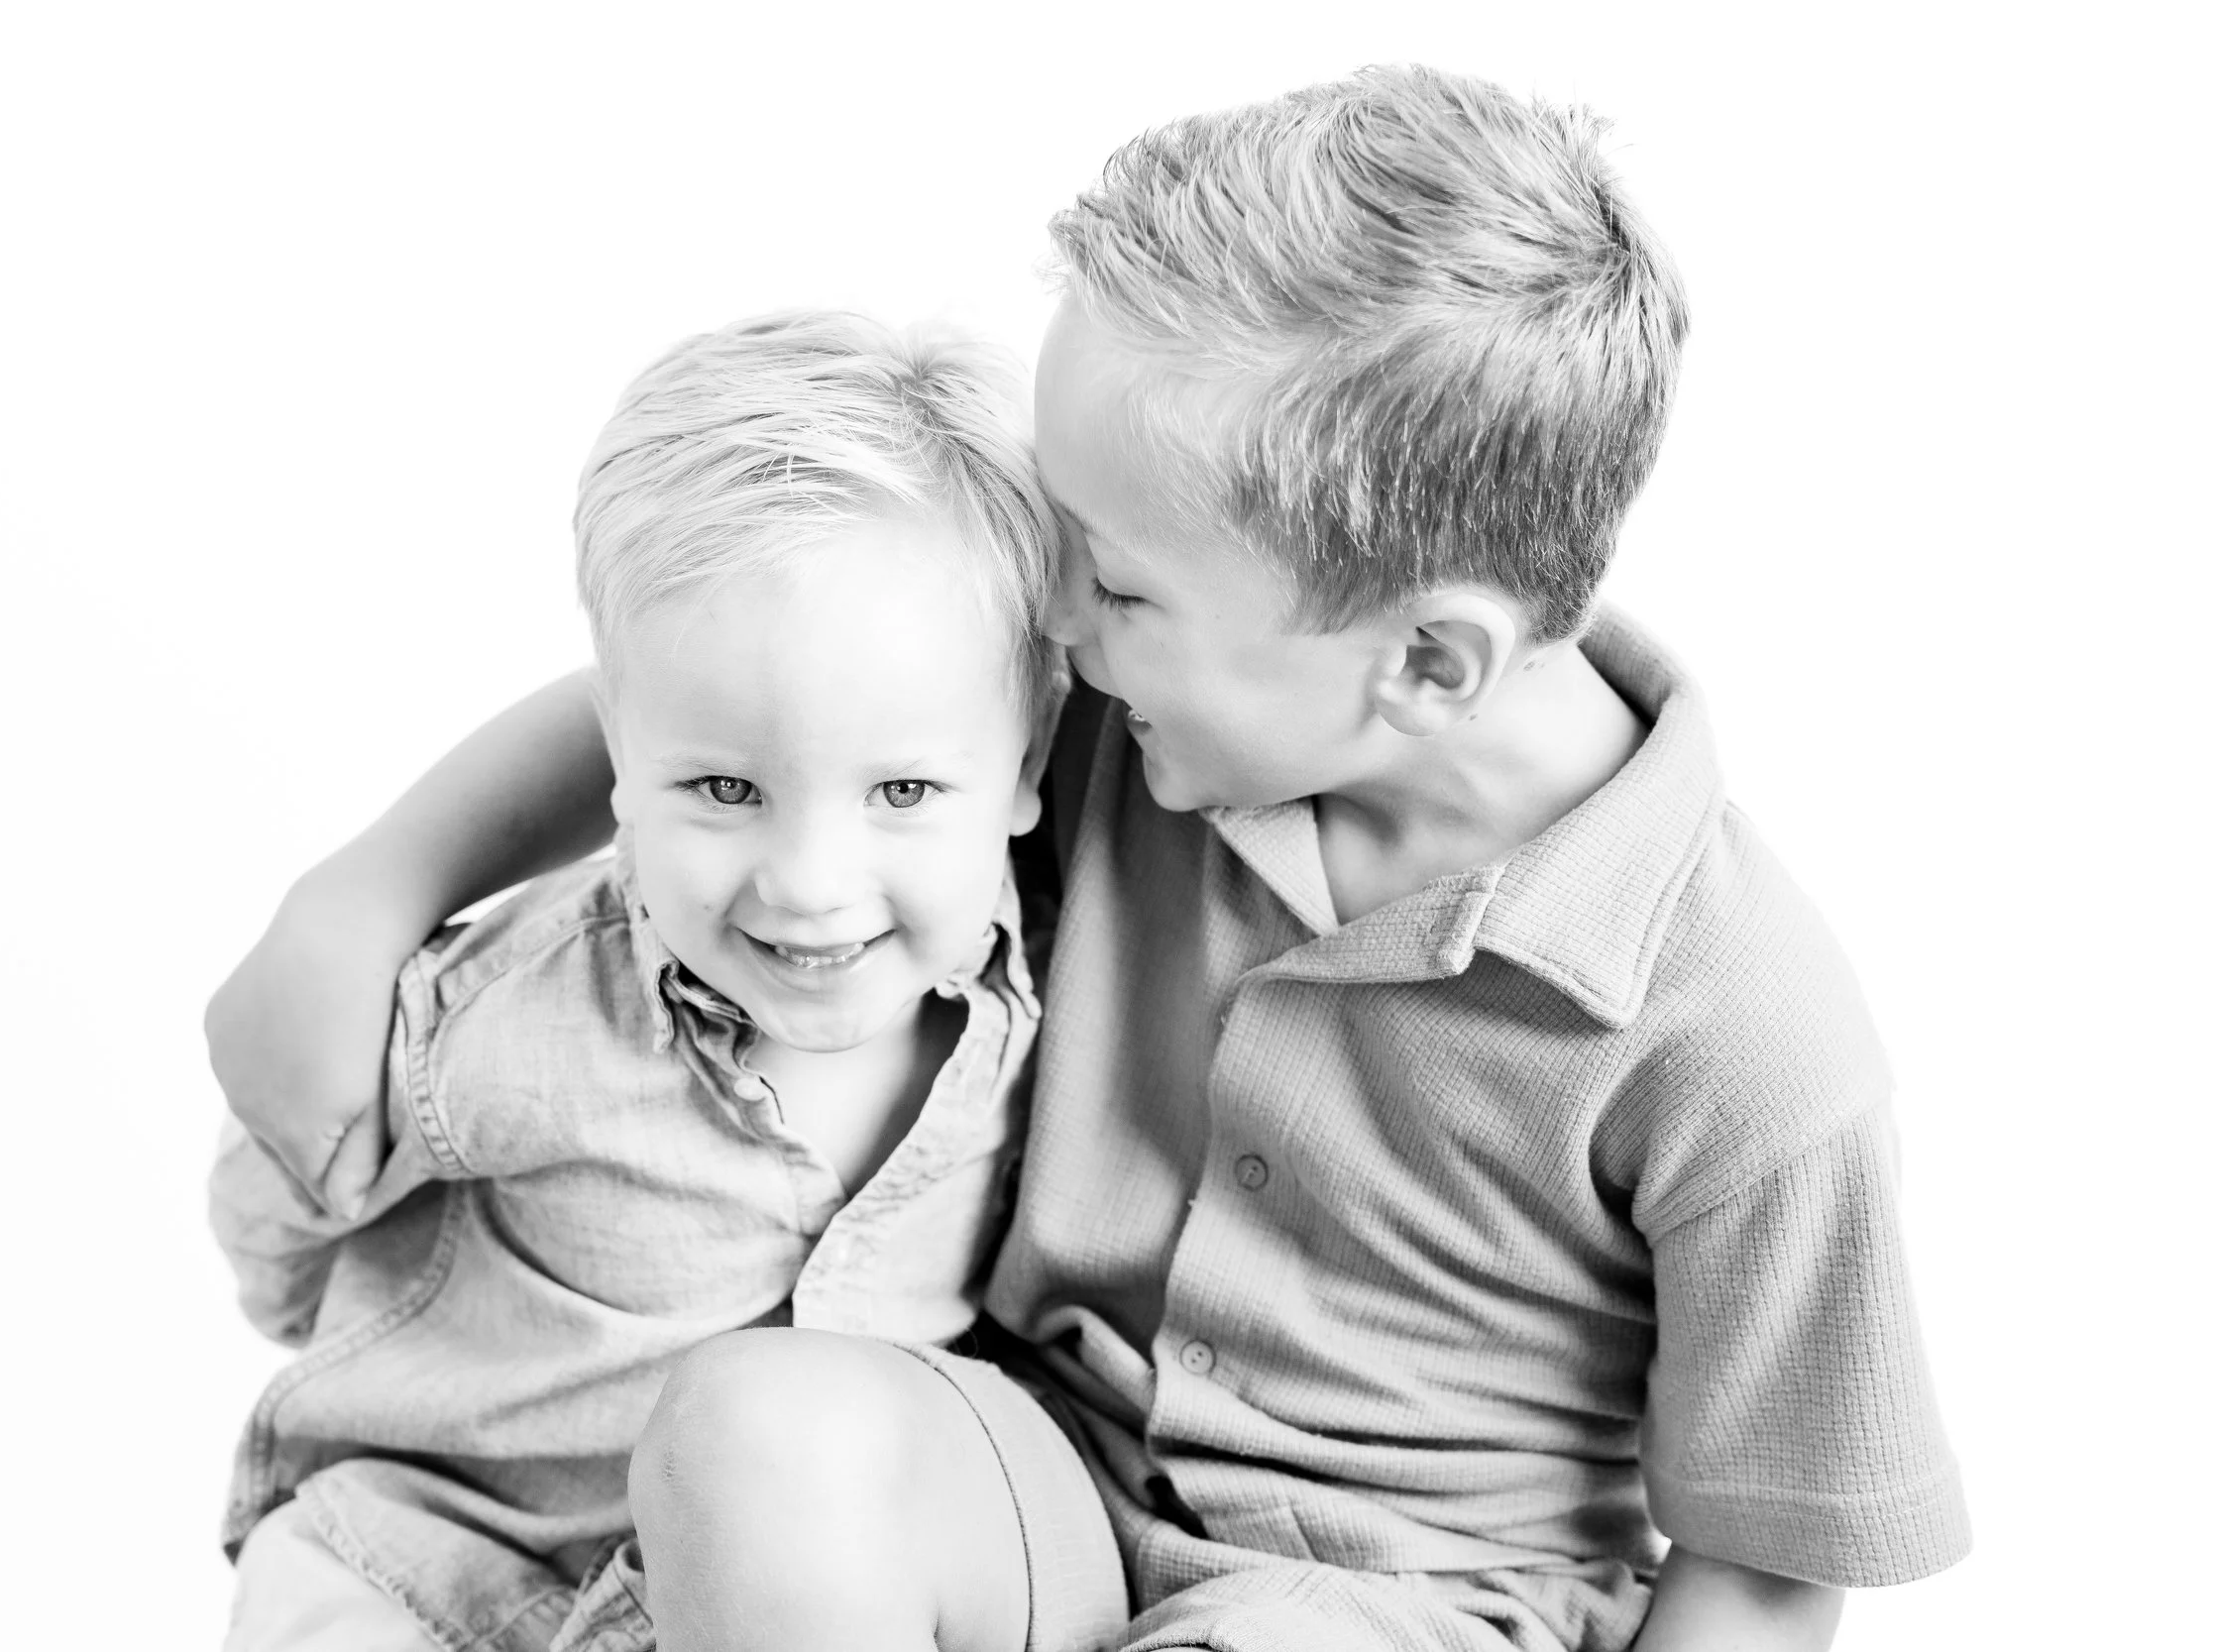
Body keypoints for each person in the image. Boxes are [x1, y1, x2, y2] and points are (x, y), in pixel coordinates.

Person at [207, 65, 1969, 1652]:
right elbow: (749, 701)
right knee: (760, 1423)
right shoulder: (1176, 705)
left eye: (1113, 583)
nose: (1055, 618)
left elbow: (1764, 1559)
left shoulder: (1748, 1032)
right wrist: (374, 882)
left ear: (1425, 664)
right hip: (1036, 1473)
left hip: (1410, 1601)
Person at [209, 309, 1125, 1652]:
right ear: (618, 764)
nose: (811, 880)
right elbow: (278, 1195)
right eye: (723, 787)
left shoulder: (1037, 995)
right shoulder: (515, 1009)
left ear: (1029, 763)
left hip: (742, 1593)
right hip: (430, 1564)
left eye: (906, 790)